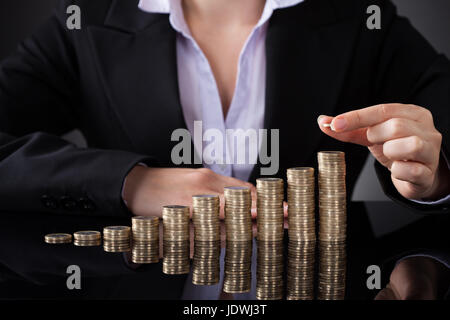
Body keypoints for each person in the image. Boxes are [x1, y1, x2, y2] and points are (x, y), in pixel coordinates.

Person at [0, 0, 449, 299]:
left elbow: (441, 123)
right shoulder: (85, 22)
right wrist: (132, 182)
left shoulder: (360, 17)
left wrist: (436, 172)